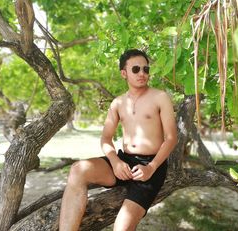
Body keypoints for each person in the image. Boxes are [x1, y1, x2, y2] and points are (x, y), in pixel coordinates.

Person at [59, 49, 177, 231]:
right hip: (124, 162)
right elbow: (106, 138)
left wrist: (151, 167)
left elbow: (171, 138)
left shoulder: (160, 97)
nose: (142, 74)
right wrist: (115, 162)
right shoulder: (118, 103)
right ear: (124, 73)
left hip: (150, 168)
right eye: (136, 69)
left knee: (121, 228)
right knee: (77, 170)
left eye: (146, 69)